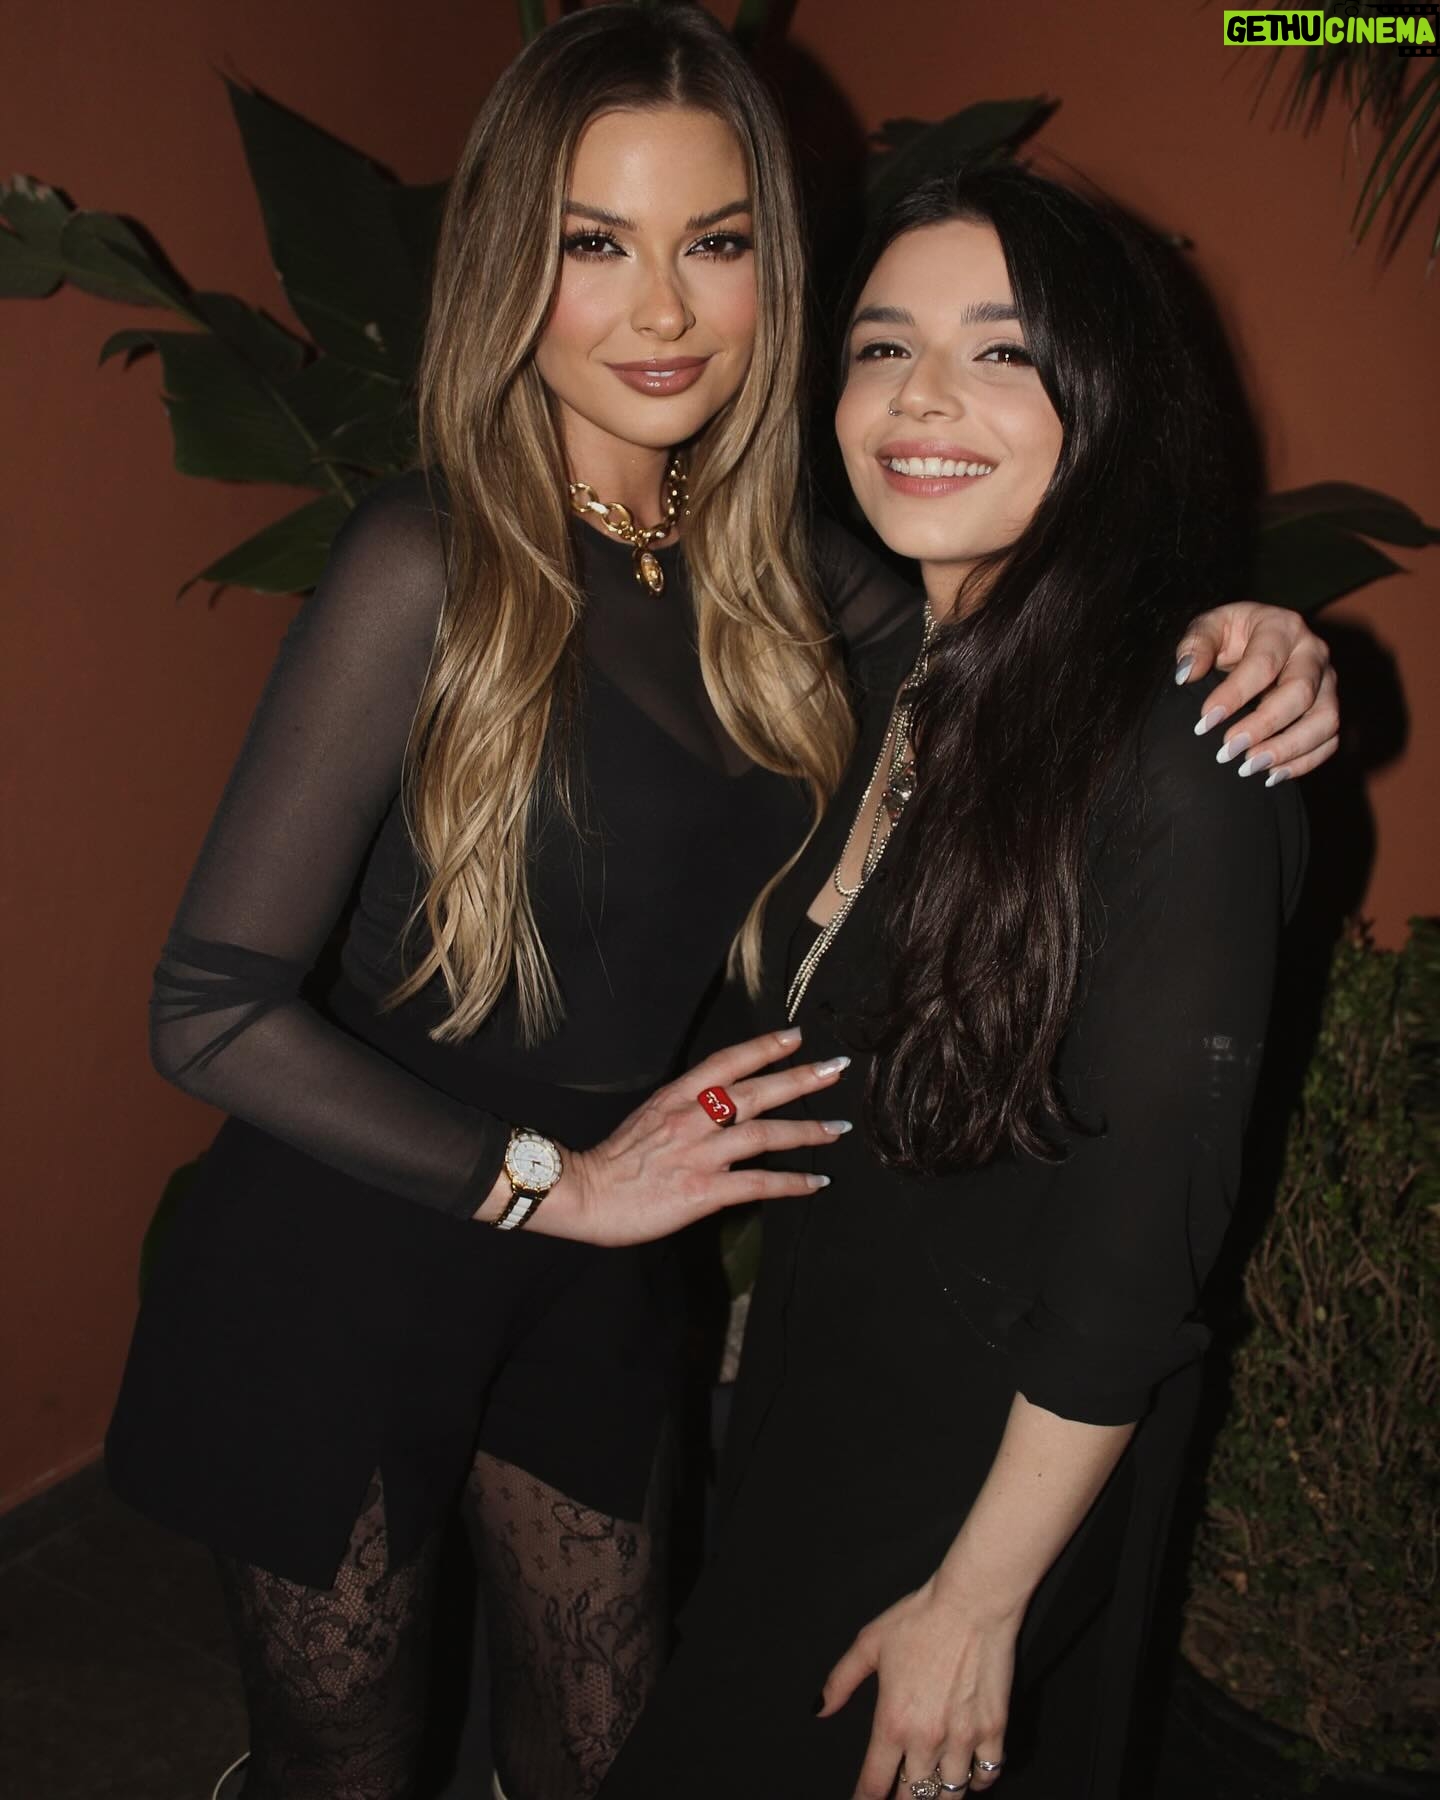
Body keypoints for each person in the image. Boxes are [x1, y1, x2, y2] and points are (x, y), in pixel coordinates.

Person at [104, 8, 1332, 1798]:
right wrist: (558, 1184)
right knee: (343, 1762)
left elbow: (1023, 633)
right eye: (595, 243)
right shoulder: (426, 560)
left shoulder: (797, 575)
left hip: (611, 1269)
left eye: (719, 242)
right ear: (511, 268)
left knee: (614, 1748)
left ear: (778, 272)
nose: (664, 310)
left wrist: (1242, 633)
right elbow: (206, 1006)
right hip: (356, 1247)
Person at [598, 165, 1311, 1800]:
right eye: (881, 347)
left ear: (1106, 402)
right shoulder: (883, 672)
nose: (921, 397)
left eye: (1001, 351)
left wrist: (978, 1603)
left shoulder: (1180, 753)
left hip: (996, 1466)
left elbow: (1141, 1257)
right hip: (826, 1390)